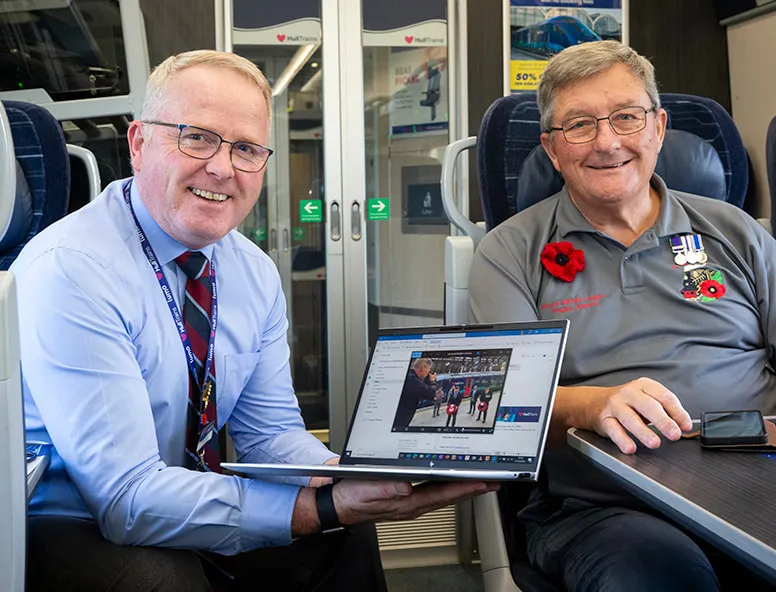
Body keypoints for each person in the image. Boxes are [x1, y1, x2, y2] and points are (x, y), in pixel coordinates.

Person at [12, 50, 497, 592]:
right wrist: (323, 507)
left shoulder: (252, 271)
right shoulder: (75, 269)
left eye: (245, 149)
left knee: (344, 536)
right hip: (70, 519)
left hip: (183, 493)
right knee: (161, 580)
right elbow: (126, 500)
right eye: (196, 137)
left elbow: (270, 435)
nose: (221, 168)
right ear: (139, 144)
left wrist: (344, 472)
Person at [469, 40, 776, 592]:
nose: (608, 142)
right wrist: (594, 404)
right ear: (552, 149)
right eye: (580, 125)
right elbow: (500, 404)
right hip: (605, 508)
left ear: (658, 127)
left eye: (626, 118)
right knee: (655, 572)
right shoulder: (509, 251)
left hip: (758, 480)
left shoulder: (738, 232)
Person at [393, 357, 438, 428]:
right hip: (399, 420)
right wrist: (432, 381)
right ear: (423, 368)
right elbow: (431, 394)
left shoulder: (409, 375)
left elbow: (423, 387)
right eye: (428, 369)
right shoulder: (413, 381)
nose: (428, 372)